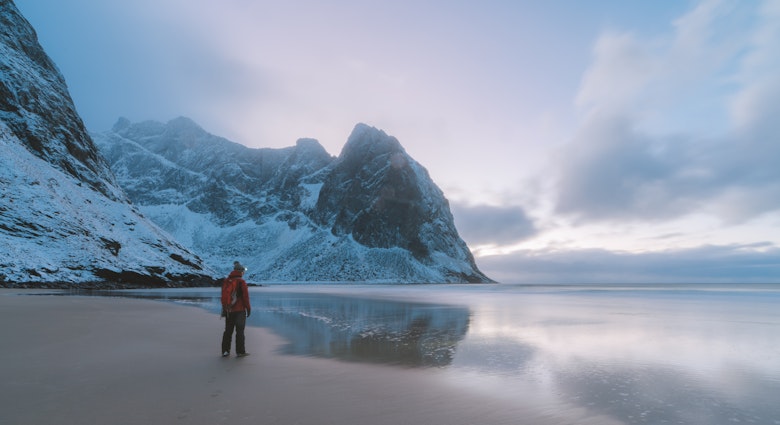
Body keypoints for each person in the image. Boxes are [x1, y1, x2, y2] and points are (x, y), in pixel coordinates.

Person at [221, 261, 251, 357]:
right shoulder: (241, 282)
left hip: (228, 309)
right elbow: (245, 297)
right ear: (241, 271)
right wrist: (248, 308)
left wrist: (225, 307)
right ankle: (240, 352)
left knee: (228, 331)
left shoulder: (227, 281)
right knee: (240, 332)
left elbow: (223, 295)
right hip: (239, 310)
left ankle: (225, 351)